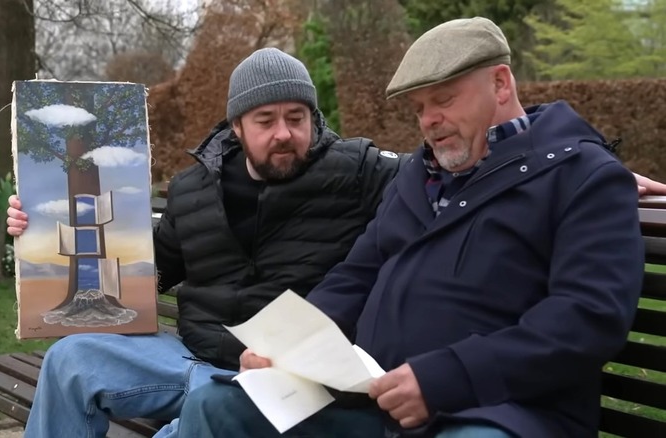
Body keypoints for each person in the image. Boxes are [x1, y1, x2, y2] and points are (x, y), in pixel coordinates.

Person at [176, 17, 647, 438]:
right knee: (216, 407)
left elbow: (587, 316)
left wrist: (443, 379)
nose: (430, 122)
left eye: (442, 100)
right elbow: (355, 275)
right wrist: (281, 348)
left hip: (499, 414)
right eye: (419, 108)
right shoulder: (417, 178)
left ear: (501, 85)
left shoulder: (580, 176)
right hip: (375, 408)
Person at [5, 47, 403, 438]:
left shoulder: (357, 172)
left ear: (312, 118)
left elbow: (437, 180)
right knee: (69, 360)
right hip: (187, 361)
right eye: (266, 120)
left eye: (296, 118)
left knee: (204, 414)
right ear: (237, 125)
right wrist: (39, 227)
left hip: (283, 379)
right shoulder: (193, 189)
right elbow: (146, 278)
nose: (284, 133)